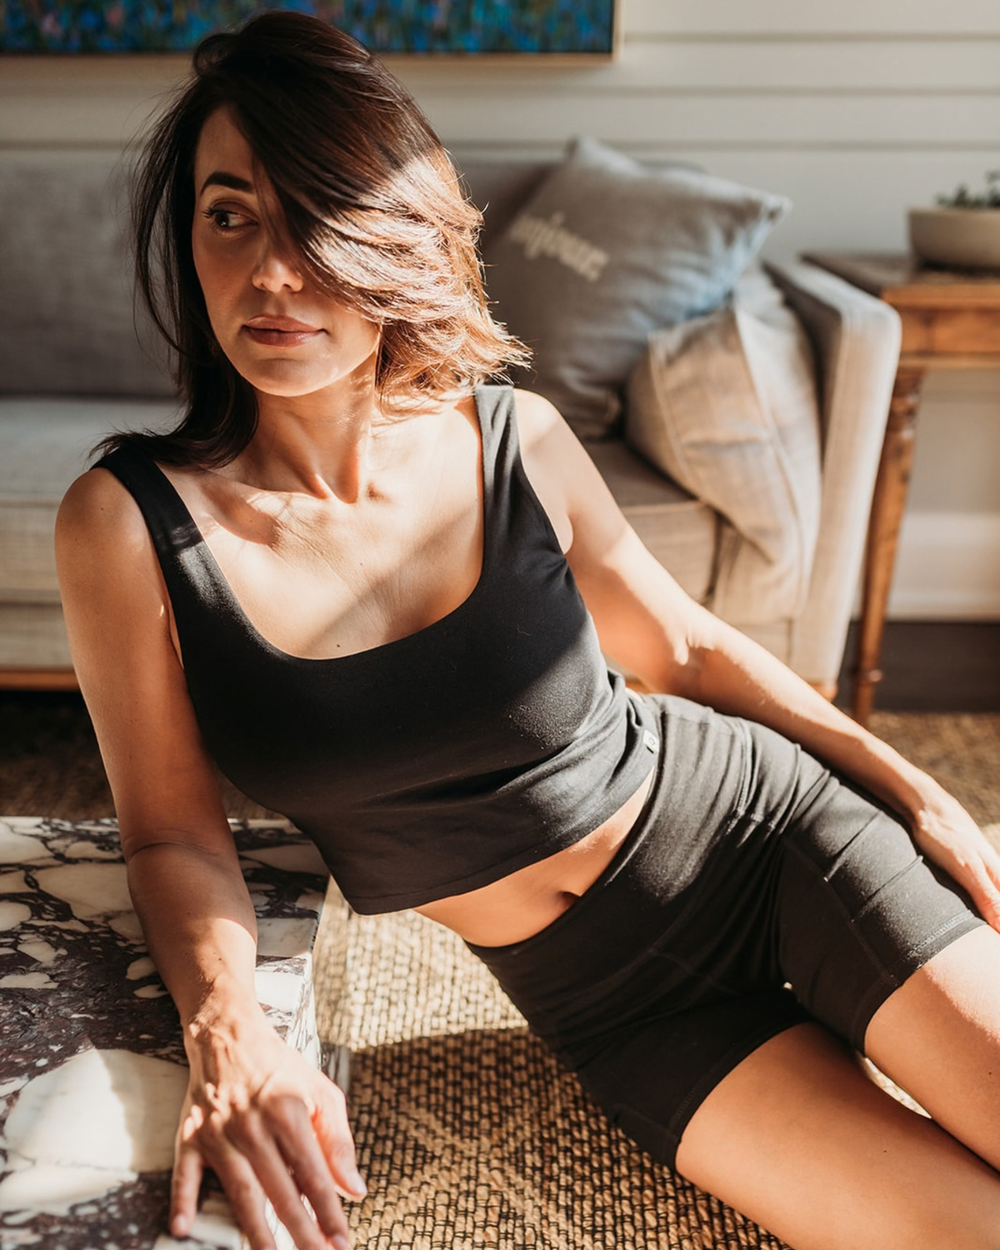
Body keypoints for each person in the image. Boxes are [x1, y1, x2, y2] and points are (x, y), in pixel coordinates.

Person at [55, 13, 1000, 1250]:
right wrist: (233, 1034)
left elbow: (686, 648)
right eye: (229, 214)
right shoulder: (128, 524)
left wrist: (907, 787)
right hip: (613, 1011)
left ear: (395, 232)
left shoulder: (510, 437)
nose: (271, 271)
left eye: (317, 215)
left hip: (775, 846)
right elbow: (171, 831)